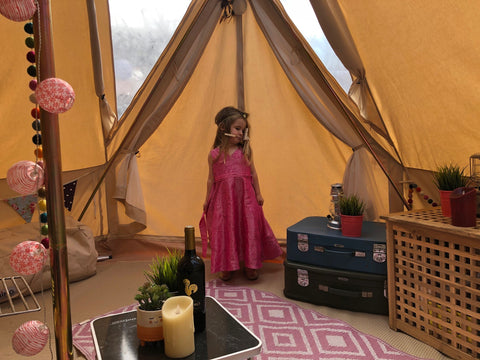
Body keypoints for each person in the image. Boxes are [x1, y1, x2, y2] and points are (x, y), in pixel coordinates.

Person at [199, 106, 283, 281]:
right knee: (226, 230)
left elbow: (253, 174)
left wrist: (258, 193)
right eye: (237, 129)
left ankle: (251, 265)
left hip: (246, 199)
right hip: (223, 201)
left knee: (249, 228)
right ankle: (227, 266)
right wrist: (207, 199)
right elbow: (210, 179)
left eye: (243, 131)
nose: (240, 134)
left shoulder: (244, 152)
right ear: (224, 128)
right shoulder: (214, 155)